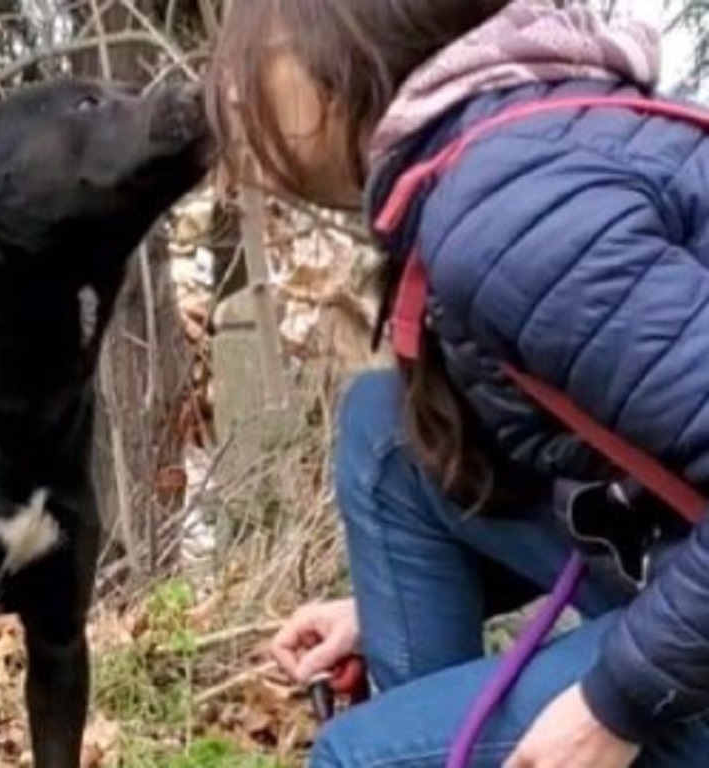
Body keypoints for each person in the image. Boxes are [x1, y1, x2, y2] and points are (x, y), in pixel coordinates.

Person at [206, 1, 709, 766]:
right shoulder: (528, 130)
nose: (239, 104)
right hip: (678, 558)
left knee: (356, 758)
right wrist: (389, 611)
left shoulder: (510, 208)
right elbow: (627, 467)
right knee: (386, 432)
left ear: (350, 42)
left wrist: (615, 706)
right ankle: (435, 732)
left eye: (258, 62)